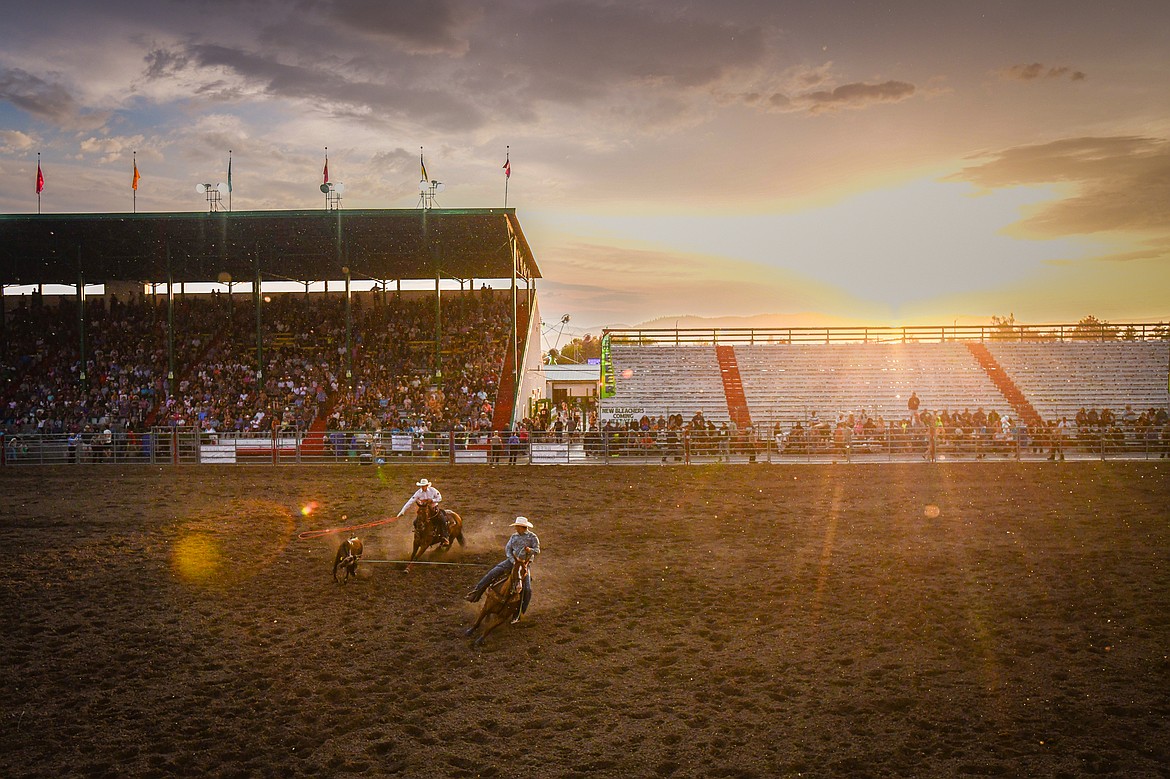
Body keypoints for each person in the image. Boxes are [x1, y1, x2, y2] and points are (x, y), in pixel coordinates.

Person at [464, 516, 541, 623]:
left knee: (527, 589)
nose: (516, 528)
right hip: (511, 562)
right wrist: (513, 560)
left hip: (523, 565)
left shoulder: (532, 537)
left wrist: (530, 550)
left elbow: (537, 551)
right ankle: (476, 593)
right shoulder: (514, 537)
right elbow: (508, 549)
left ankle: (519, 613)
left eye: (517, 527)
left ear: (523, 527)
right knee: (492, 574)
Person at [397, 477, 448, 544]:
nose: (423, 487)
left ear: (427, 485)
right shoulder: (418, 493)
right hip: (424, 510)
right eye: (422, 486)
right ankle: (418, 535)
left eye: (424, 486)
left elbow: (440, 498)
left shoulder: (433, 490)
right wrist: (402, 511)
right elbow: (410, 502)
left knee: (442, 520)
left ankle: (444, 537)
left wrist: (432, 500)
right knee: (415, 522)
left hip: (433, 509)